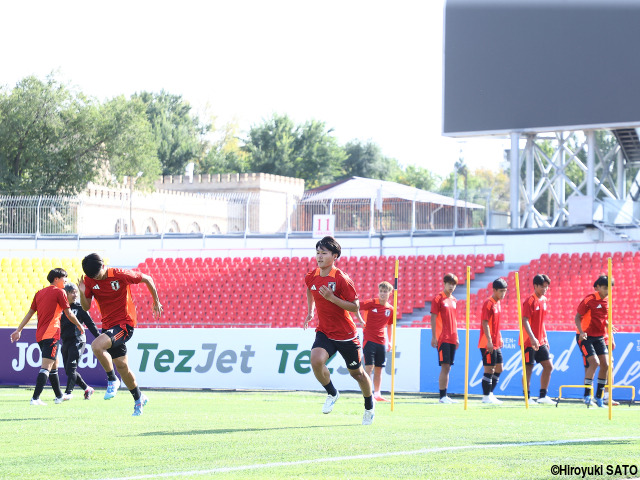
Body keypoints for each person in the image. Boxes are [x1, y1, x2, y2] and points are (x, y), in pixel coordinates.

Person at [78, 253, 162, 416]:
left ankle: (112, 379)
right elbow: (86, 307)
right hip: (108, 327)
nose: (97, 279)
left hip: (125, 324)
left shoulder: (119, 274)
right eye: (93, 277)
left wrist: (156, 301)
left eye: (98, 275)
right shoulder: (89, 280)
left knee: (96, 346)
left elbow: (148, 278)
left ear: (103, 266)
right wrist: (82, 292)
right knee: (122, 366)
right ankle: (139, 399)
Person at [303, 236, 375, 425]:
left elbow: (355, 307)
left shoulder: (342, 278)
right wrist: (311, 311)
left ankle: (369, 406)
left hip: (346, 335)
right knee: (316, 360)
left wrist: (332, 298)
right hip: (325, 331)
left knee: (357, 374)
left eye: (323, 253)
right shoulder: (312, 276)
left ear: (334, 256)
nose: (319, 256)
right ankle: (332, 393)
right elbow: (310, 289)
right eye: (317, 252)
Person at [10, 268, 84, 405]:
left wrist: (18, 330)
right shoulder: (60, 292)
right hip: (51, 333)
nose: (66, 281)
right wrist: (79, 325)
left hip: (40, 335)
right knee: (47, 366)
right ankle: (35, 398)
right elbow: (69, 313)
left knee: (54, 365)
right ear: (56, 279)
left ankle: (59, 396)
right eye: (64, 278)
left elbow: (29, 313)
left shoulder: (39, 293)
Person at [575, 275, 615, 408]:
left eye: (609, 288)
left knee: (606, 364)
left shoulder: (607, 301)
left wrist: (609, 325)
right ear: (598, 288)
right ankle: (587, 395)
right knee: (595, 363)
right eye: (604, 288)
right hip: (585, 336)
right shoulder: (589, 299)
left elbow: (603, 318)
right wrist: (581, 332)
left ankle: (599, 397)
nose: (607, 291)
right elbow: (577, 317)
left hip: (599, 337)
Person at [60, 282, 101, 401]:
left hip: (78, 340)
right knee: (69, 370)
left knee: (71, 367)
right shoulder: (61, 308)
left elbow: (90, 324)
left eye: (76, 292)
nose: (75, 295)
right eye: (72, 292)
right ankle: (87, 388)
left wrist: (100, 338)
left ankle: (68, 393)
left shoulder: (80, 308)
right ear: (65, 294)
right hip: (66, 341)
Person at [355, 281, 394, 402]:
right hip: (369, 339)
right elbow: (355, 306)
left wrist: (390, 341)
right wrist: (360, 320)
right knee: (369, 367)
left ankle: (377, 394)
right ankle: (368, 393)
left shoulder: (390, 309)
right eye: (381, 291)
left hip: (381, 342)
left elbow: (390, 325)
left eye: (385, 291)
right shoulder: (371, 303)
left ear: (390, 293)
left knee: (379, 369)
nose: (382, 294)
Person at [521, 274, 555, 405]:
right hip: (528, 341)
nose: (545, 289)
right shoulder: (530, 300)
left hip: (540, 341)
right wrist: (532, 337)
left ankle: (542, 396)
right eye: (542, 286)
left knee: (548, 366)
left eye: (546, 287)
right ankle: (527, 397)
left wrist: (545, 338)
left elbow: (542, 323)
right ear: (535, 286)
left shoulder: (545, 300)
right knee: (528, 368)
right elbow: (525, 320)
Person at [430, 273, 459, 404]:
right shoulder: (438, 299)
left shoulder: (454, 300)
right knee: (445, 365)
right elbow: (433, 317)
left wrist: (456, 336)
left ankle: (445, 395)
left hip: (452, 337)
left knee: (448, 367)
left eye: (454, 284)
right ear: (444, 284)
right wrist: (434, 336)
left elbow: (454, 320)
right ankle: (442, 396)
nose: (451, 286)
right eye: (449, 283)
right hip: (442, 337)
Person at [478, 278, 508, 405]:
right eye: (501, 291)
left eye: (505, 291)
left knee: (499, 368)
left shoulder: (498, 303)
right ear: (494, 290)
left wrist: (499, 336)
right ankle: (485, 397)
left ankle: (490, 394)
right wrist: (489, 341)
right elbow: (485, 322)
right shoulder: (488, 303)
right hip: (487, 342)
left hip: (496, 341)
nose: (503, 294)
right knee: (489, 369)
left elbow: (495, 323)